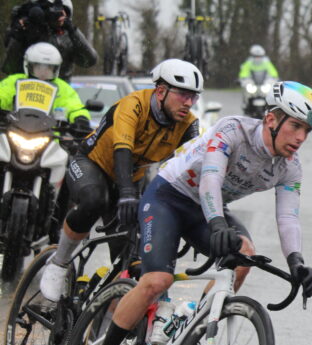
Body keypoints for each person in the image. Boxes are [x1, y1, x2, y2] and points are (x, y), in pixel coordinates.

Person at [79, 80, 312, 345]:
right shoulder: (233, 130)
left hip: (207, 210)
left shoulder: (289, 168)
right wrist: (218, 223)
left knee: (245, 256)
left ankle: (193, 328)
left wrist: (297, 262)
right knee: (156, 281)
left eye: (306, 131)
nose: (300, 138)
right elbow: (210, 179)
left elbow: (288, 217)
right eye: (295, 126)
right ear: (271, 119)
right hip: (169, 197)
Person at [40, 59, 203, 301]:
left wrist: (193, 217)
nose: (188, 103)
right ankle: (59, 262)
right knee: (95, 200)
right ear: (160, 91)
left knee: (129, 255)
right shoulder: (133, 105)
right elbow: (122, 150)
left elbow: (189, 172)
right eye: (183, 95)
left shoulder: (188, 124)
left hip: (129, 179)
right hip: (91, 164)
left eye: (194, 97)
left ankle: (98, 312)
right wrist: (127, 193)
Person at [0, 42, 90, 133]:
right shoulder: (15, 82)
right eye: (39, 68)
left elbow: (73, 105)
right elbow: (3, 93)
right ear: (28, 66)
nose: (44, 72)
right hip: (13, 132)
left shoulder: (63, 88)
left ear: (56, 69)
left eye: (49, 68)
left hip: (51, 138)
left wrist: (81, 118)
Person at [3, 0, 98, 82]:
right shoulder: (27, 34)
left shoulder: (68, 37)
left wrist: (72, 30)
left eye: (58, 12)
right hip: (27, 93)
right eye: (47, 12)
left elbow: (90, 60)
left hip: (59, 95)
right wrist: (18, 37)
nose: (52, 15)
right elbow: (9, 68)